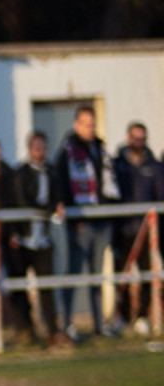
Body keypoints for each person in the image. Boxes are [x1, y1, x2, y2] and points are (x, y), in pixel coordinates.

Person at [50, 107, 120, 341]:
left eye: (92, 124)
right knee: (73, 274)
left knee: (98, 277)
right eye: (85, 124)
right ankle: (67, 323)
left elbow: (108, 183)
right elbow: (60, 184)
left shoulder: (100, 149)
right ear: (76, 125)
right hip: (81, 224)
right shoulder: (67, 152)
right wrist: (73, 216)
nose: (90, 128)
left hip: (102, 223)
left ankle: (99, 325)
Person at [110, 122, 163, 334]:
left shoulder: (154, 167)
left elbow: (159, 196)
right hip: (123, 229)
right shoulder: (117, 165)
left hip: (145, 230)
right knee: (120, 274)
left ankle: (142, 316)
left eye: (142, 138)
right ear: (128, 138)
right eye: (135, 137)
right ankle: (122, 316)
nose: (138, 142)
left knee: (147, 274)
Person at [12, 131, 62, 344]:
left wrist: (57, 206)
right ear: (29, 149)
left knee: (47, 287)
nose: (40, 152)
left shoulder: (52, 172)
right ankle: (26, 329)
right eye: (36, 148)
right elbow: (23, 203)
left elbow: (59, 196)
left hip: (44, 239)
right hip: (24, 238)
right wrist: (50, 209)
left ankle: (52, 330)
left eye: (43, 148)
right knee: (20, 287)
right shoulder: (21, 173)